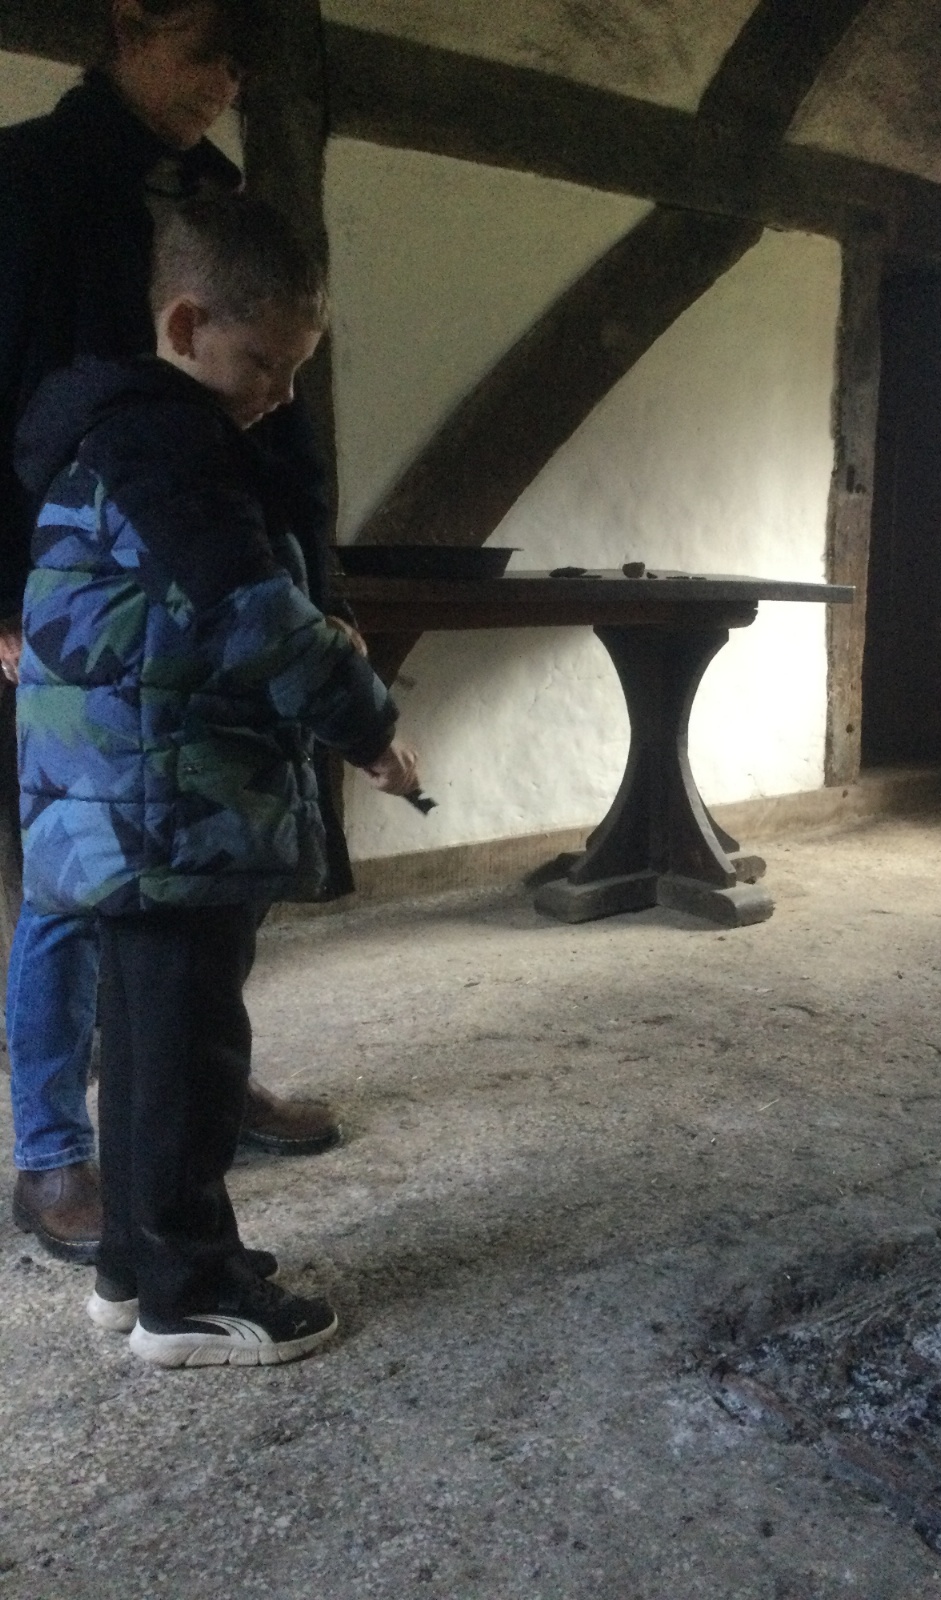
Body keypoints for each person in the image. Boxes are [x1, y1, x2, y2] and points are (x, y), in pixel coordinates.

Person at [16, 189, 419, 1366]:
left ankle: (134, 1263)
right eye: (266, 362)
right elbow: (258, 620)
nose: (280, 393)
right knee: (189, 1057)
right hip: (167, 804)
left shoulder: (129, 433)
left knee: (151, 1044)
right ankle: (190, 1294)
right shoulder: (171, 445)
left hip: (137, 801)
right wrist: (368, 724)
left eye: (297, 369)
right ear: (187, 325)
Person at [0, 0, 352, 1266]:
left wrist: (310, 574)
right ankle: (53, 1152)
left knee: (212, 866)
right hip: (75, 594)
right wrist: (5, 598)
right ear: (128, 25)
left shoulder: (221, 200)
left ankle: (199, 1089)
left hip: (217, 574)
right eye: (205, 49)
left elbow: (283, 416)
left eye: (241, 64)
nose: (225, 81)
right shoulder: (27, 179)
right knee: (72, 875)